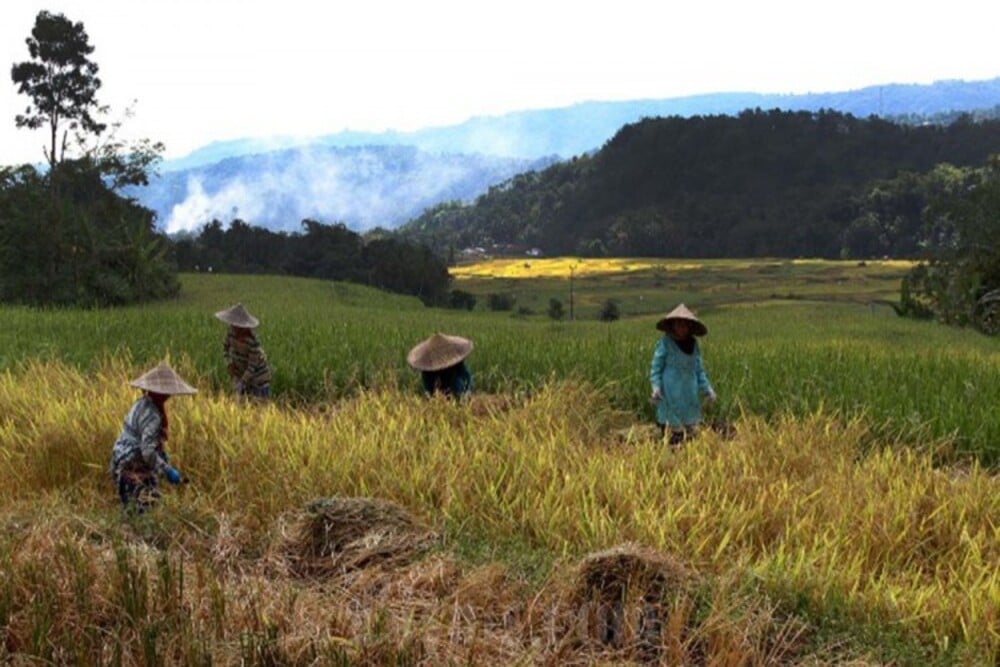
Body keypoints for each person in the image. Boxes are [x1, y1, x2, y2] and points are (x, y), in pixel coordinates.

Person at [109, 361, 197, 513]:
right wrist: (167, 470)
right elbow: (147, 451)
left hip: (120, 460)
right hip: (133, 465)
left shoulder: (140, 403)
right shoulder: (153, 416)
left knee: (130, 514)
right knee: (143, 513)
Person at [649, 303, 717, 445]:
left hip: (689, 394)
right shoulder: (665, 343)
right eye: (678, 324)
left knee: (691, 433)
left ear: (689, 327)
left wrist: (708, 389)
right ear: (672, 325)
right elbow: (656, 367)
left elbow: (699, 371)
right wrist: (655, 387)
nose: (681, 327)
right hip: (670, 393)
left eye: (684, 324)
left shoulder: (693, 344)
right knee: (673, 434)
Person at [214, 303, 272, 398]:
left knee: (258, 408)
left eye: (237, 326)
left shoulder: (252, 342)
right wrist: (229, 363)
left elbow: (251, 367)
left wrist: (242, 382)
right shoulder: (231, 334)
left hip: (258, 380)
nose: (234, 327)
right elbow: (225, 348)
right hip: (241, 374)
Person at [407, 333, 473, 399]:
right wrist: (430, 397)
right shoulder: (427, 369)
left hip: (457, 391)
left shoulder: (456, 364)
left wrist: (467, 391)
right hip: (438, 395)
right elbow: (428, 388)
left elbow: (467, 377)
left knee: (457, 385)